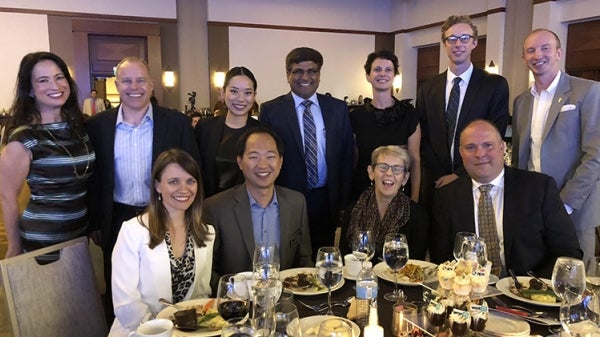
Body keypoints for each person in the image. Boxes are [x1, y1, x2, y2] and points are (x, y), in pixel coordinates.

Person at [86, 56, 200, 322]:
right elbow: (94, 178)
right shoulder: (98, 126)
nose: (133, 86)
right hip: (117, 216)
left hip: (167, 214)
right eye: (126, 81)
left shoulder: (176, 123)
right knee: (120, 287)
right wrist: (94, 222)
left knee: (166, 280)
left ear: (151, 85)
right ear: (117, 84)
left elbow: (193, 170)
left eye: (140, 80)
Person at [430, 120, 582, 278]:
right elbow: (441, 258)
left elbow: (568, 252)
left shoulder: (539, 188)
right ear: (461, 153)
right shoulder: (446, 197)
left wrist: (532, 287)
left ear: (503, 147)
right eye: (470, 147)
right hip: (470, 293)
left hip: (529, 292)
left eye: (488, 145)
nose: (480, 153)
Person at [512, 28, 600, 263]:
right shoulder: (521, 102)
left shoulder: (587, 91)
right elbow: (520, 158)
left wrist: (567, 202)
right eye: (530, 50)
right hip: (532, 205)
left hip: (575, 207)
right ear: (524, 58)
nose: (537, 55)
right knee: (535, 274)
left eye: (545, 48)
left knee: (574, 279)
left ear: (559, 53)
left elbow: (596, 155)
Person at [0, 52, 95, 262]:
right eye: (43, 80)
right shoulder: (24, 137)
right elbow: (7, 197)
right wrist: (14, 245)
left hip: (79, 232)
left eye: (59, 77)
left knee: (77, 293)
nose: (55, 85)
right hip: (43, 238)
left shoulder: (79, 127)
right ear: (30, 90)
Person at [259, 47, 354, 257]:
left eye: (312, 71)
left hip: (326, 198)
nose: (305, 77)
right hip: (286, 198)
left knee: (323, 256)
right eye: (297, 71)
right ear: (288, 75)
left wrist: (343, 202)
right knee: (288, 256)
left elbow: (347, 157)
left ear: (319, 75)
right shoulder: (271, 110)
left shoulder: (337, 109)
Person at [109, 149, 214, 337]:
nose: (184, 189)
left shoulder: (206, 233)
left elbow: (201, 295)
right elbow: (126, 304)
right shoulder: (133, 231)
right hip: (140, 332)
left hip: (187, 332)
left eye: (191, 181)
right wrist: (163, 331)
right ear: (157, 186)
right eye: (174, 181)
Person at [417, 15, 509, 207]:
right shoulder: (428, 88)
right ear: (444, 44)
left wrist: (458, 175)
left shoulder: (494, 85)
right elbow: (423, 137)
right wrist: (440, 174)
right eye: (451, 39)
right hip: (435, 182)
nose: (458, 43)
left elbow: (495, 135)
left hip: (476, 179)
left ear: (474, 42)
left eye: (464, 38)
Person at [203, 126, 313, 276]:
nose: (262, 164)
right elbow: (208, 271)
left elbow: (304, 260)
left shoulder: (296, 202)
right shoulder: (215, 208)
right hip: (236, 297)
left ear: (280, 162)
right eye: (254, 157)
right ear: (240, 162)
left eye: (270, 156)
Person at [350, 50, 421, 202]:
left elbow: (414, 159)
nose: (383, 74)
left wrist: (415, 198)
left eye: (388, 70)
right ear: (368, 76)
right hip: (363, 190)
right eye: (377, 69)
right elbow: (354, 159)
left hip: (400, 191)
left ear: (394, 75)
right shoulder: (356, 116)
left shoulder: (409, 114)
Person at [340, 146, 428, 260]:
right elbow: (343, 260)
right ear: (371, 172)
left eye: (397, 169)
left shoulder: (418, 216)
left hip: (398, 277)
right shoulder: (352, 210)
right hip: (357, 276)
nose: (389, 173)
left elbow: (416, 267)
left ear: (405, 178)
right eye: (383, 167)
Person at [195, 67, 262, 198]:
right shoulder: (205, 128)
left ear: (254, 96)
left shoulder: (263, 132)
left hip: (248, 207)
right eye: (234, 91)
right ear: (223, 92)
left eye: (248, 93)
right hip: (209, 205)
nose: (241, 99)